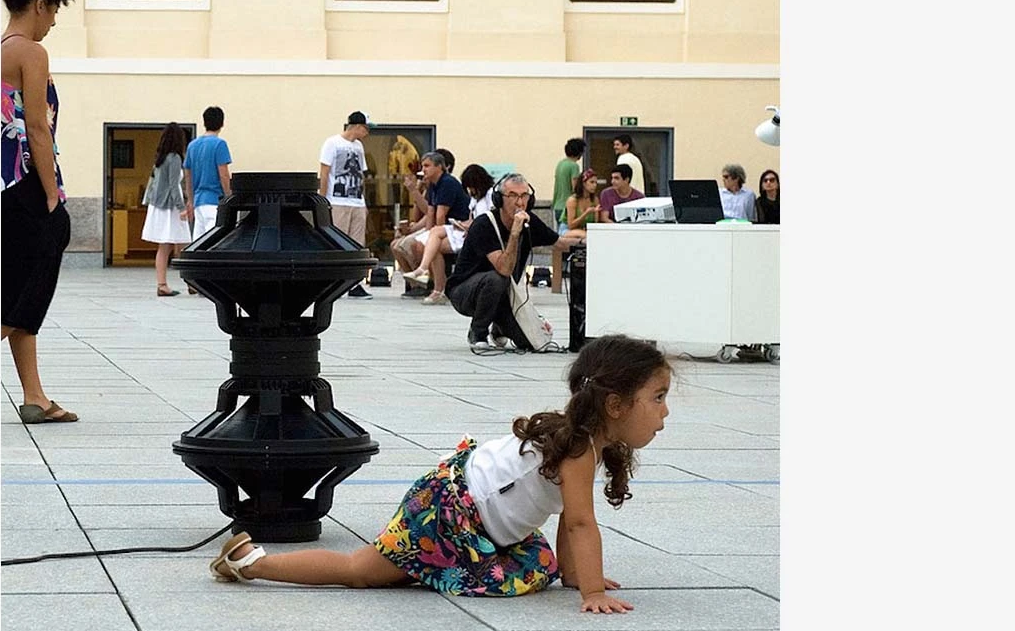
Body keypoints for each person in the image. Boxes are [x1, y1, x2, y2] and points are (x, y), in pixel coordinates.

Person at [209, 334, 671, 614]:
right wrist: (590, 590)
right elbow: (578, 523)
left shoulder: (587, 442)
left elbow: (572, 515)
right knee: (362, 571)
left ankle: (258, 562)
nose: (664, 412)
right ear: (614, 405)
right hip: (448, 513)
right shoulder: (578, 450)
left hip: (470, 514)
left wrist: (574, 574)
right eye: (657, 397)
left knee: (393, 573)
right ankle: (252, 563)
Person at [0, 0, 80, 424]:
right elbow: (37, 127)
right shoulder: (32, 51)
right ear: (39, 3)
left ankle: (34, 396)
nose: (53, 20)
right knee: (20, 291)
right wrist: (52, 192)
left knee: (17, 288)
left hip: (2, 188)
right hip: (28, 186)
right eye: (53, 9)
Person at [446, 174, 581, 349]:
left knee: (530, 343)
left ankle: (500, 327)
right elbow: (504, 269)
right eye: (512, 196)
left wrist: (592, 242)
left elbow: (559, 243)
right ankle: (478, 332)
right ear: (499, 199)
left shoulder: (529, 221)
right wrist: (515, 233)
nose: (520, 202)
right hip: (466, 291)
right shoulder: (484, 224)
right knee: (496, 279)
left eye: (524, 195)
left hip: (504, 294)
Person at [394, 153, 474, 305]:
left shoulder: (448, 183)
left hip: (457, 228)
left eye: (427, 166)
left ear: (439, 167)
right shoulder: (433, 184)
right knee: (424, 243)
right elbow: (430, 212)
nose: (423, 170)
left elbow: (440, 215)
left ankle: (433, 285)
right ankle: (434, 286)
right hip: (445, 229)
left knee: (427, 244)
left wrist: (431, 233)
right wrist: (427, 232)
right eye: (423, 166)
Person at [321, 111, 373, 298]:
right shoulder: (332, 143)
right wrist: (324, 199)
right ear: (358, 126)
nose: (368, 132)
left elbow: (361, 176)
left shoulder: (359, 147)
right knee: (337, 242)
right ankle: (333, 281)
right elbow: (325, 171)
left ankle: (354, 284)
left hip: (356, 200)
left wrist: (364, 202)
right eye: (367, 128)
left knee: (357, 244)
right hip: (337, 200)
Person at [141, 123, 191, 296]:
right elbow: (174, 185)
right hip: (170, 207)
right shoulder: (175, 158)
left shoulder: (160, 158)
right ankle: (191, 282)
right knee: (183, 243)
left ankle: (162, 284)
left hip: (158, 205)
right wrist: (182, 207)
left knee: (165, 246)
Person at [183, 106, 232, 242]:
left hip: (198, 201)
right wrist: (229, 197)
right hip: (215, 201)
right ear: (222, 123)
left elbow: (188, 175)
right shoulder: (219, 144)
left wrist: (190, 200)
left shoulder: (192, 145)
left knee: (198, 245)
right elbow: (223, 174)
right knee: (214, 243)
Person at [552, 138, 586, 234]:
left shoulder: (560, 164)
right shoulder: (574, 166)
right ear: (579, 152)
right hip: (568, 207)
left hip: (557, 205)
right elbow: (575, 187)